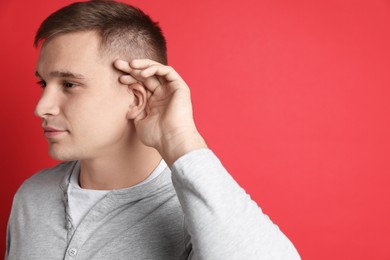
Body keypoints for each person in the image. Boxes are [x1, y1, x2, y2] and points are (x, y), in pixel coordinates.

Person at [6, 1, 300, 259]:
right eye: (43, 84)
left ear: (135, 99)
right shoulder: (32, 197)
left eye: (69, 85)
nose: (42, 107)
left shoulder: (198, 211)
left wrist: (181, 141)